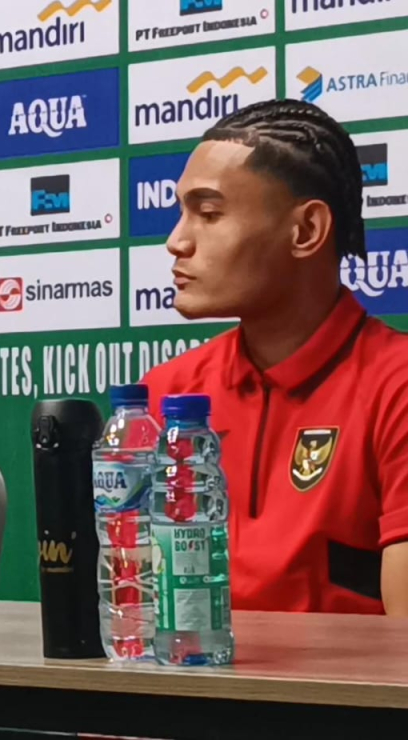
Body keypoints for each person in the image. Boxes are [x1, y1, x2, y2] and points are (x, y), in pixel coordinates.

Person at [142, 99, 408, 615]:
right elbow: (133, 610)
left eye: (209, 214)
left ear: (305, 230)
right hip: (188, 669)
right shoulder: (165, 394)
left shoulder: (395, 387)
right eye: (181, 213)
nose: (176, 241)